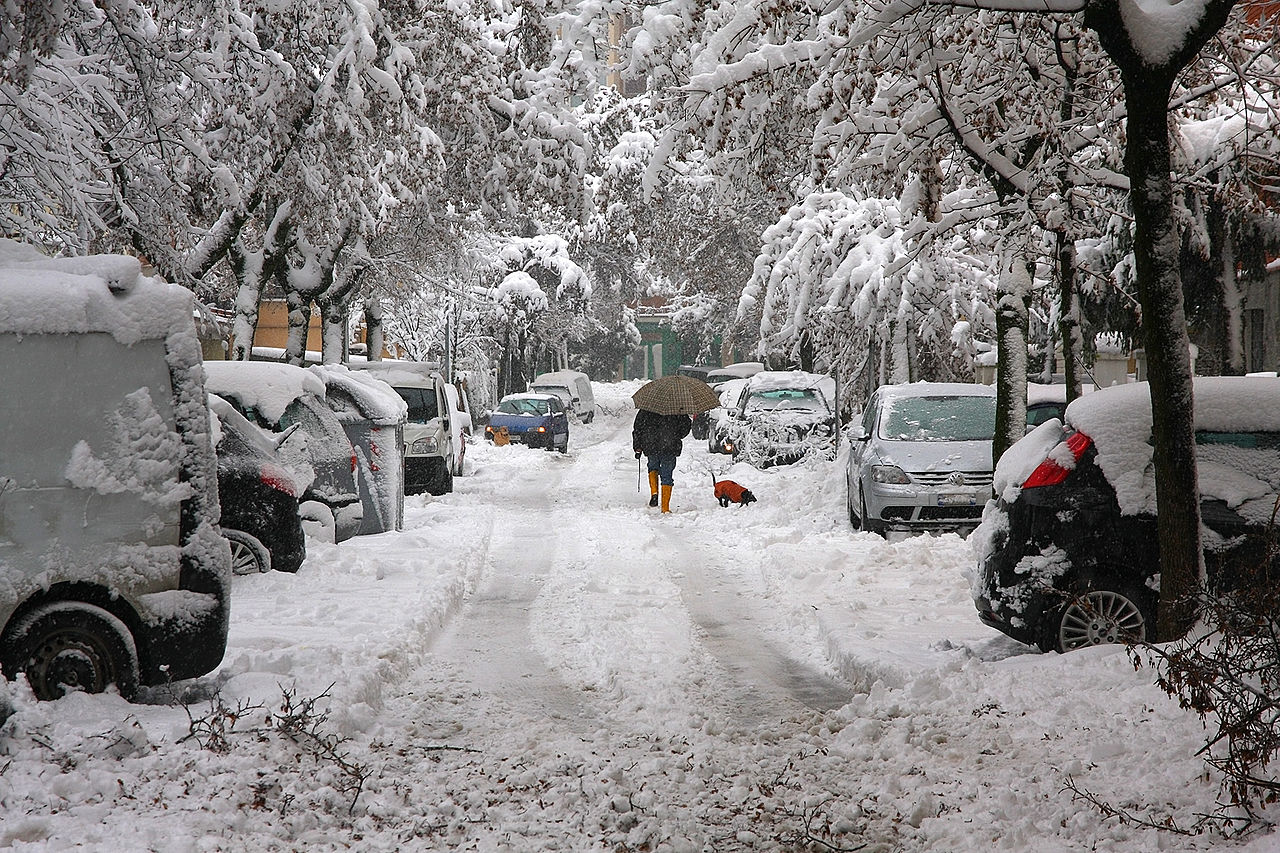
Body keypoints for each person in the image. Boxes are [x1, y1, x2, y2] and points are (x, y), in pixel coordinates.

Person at [633, 408, 692, 513]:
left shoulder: (647, 407)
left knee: (653, 467)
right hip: (670, 445)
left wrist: (638, 446)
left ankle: (654, 493)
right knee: (667, 474)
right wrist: (676, 435)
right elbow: (686, 426)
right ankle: (665, 507)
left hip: (650, 444)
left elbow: (638, 428)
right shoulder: (676, 407)